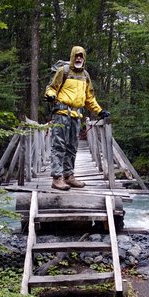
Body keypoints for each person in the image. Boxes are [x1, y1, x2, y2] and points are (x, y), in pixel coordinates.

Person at [44, 46, 110, 191]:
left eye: (81, 56)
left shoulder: (85, 75)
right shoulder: (64, 71)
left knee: (72, 147)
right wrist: (50, 95)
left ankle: (68, 176)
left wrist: (99, 112)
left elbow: (89, 98)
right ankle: (57, 178)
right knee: (59, 146)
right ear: (73, 56)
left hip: (76, 116)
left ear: (84, 58)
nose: (79, 58)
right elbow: (52, 87)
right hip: (61, 114)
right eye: (77, 56)